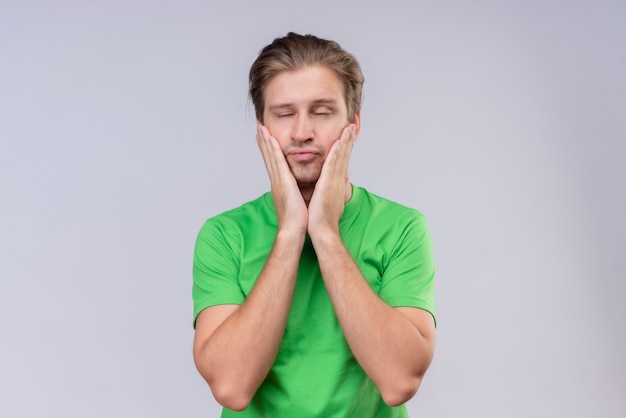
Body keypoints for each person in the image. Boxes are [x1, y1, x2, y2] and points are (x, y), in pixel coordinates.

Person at [192, 32, 436, 417]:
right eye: (284, 113)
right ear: (262, 129)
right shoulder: (225, 235)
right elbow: (231, 387)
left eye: (322, 112)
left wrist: (324, 232)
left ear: (353, 124)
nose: (302, 131)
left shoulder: (402, 228)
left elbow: (399, 381)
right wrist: (290, 232)